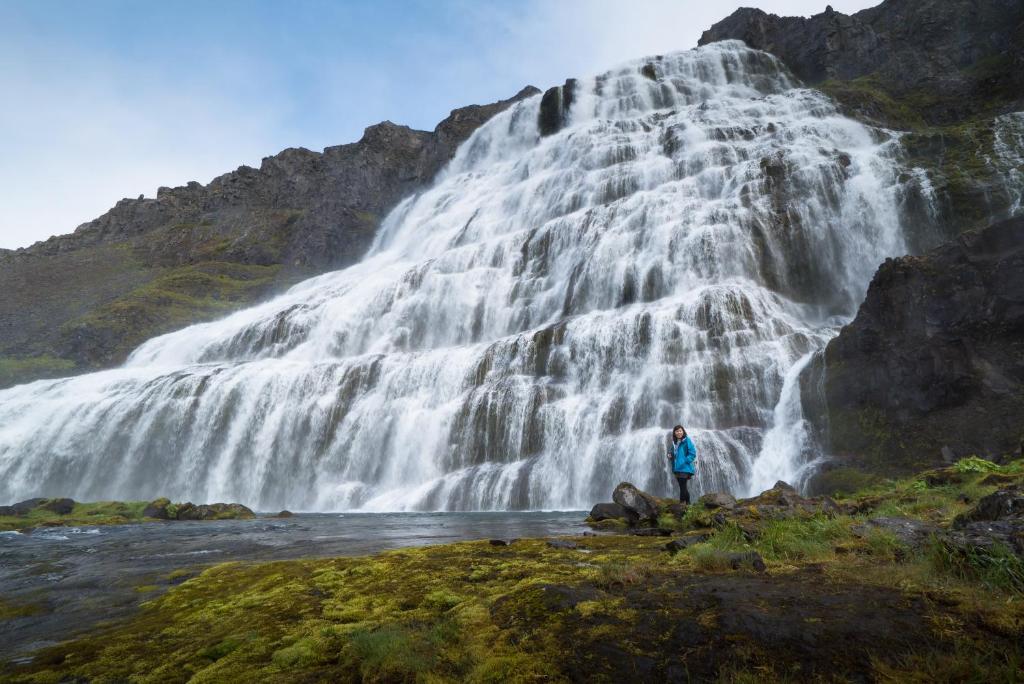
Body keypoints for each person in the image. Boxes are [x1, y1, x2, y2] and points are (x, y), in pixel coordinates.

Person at [666, 424, 696, 504]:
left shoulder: (687, 441)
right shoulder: (674, 443)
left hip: (684, 468)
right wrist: (670, 455)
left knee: (683, 487)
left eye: (680, 431)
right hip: (676, 468)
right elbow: (672, 453)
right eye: (677, 431)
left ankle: (681, 504)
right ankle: (688, 504)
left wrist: (685, 461)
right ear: (674, 433)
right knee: (683, 487)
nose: (678, 432)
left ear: (683, 431)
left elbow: (692, 453)